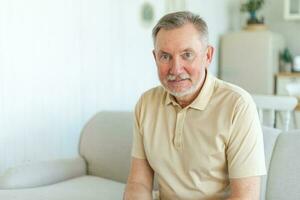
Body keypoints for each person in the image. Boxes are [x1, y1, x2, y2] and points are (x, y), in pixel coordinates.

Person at [123, 11, 266, 200]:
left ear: (207, 55)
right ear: (155, 58)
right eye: (165, 56)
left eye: (187, 55)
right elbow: (138, 183)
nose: (176, 69)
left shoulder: (238, 106)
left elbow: (245, 197)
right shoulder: (146, 104)